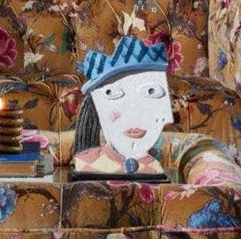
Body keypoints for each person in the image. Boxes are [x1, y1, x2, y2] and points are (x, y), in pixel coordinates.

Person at [73, 36, 173, 178]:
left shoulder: (154, 167)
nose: (134, 114)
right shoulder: (86, 163)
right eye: (111, 93)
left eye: (151, 92)